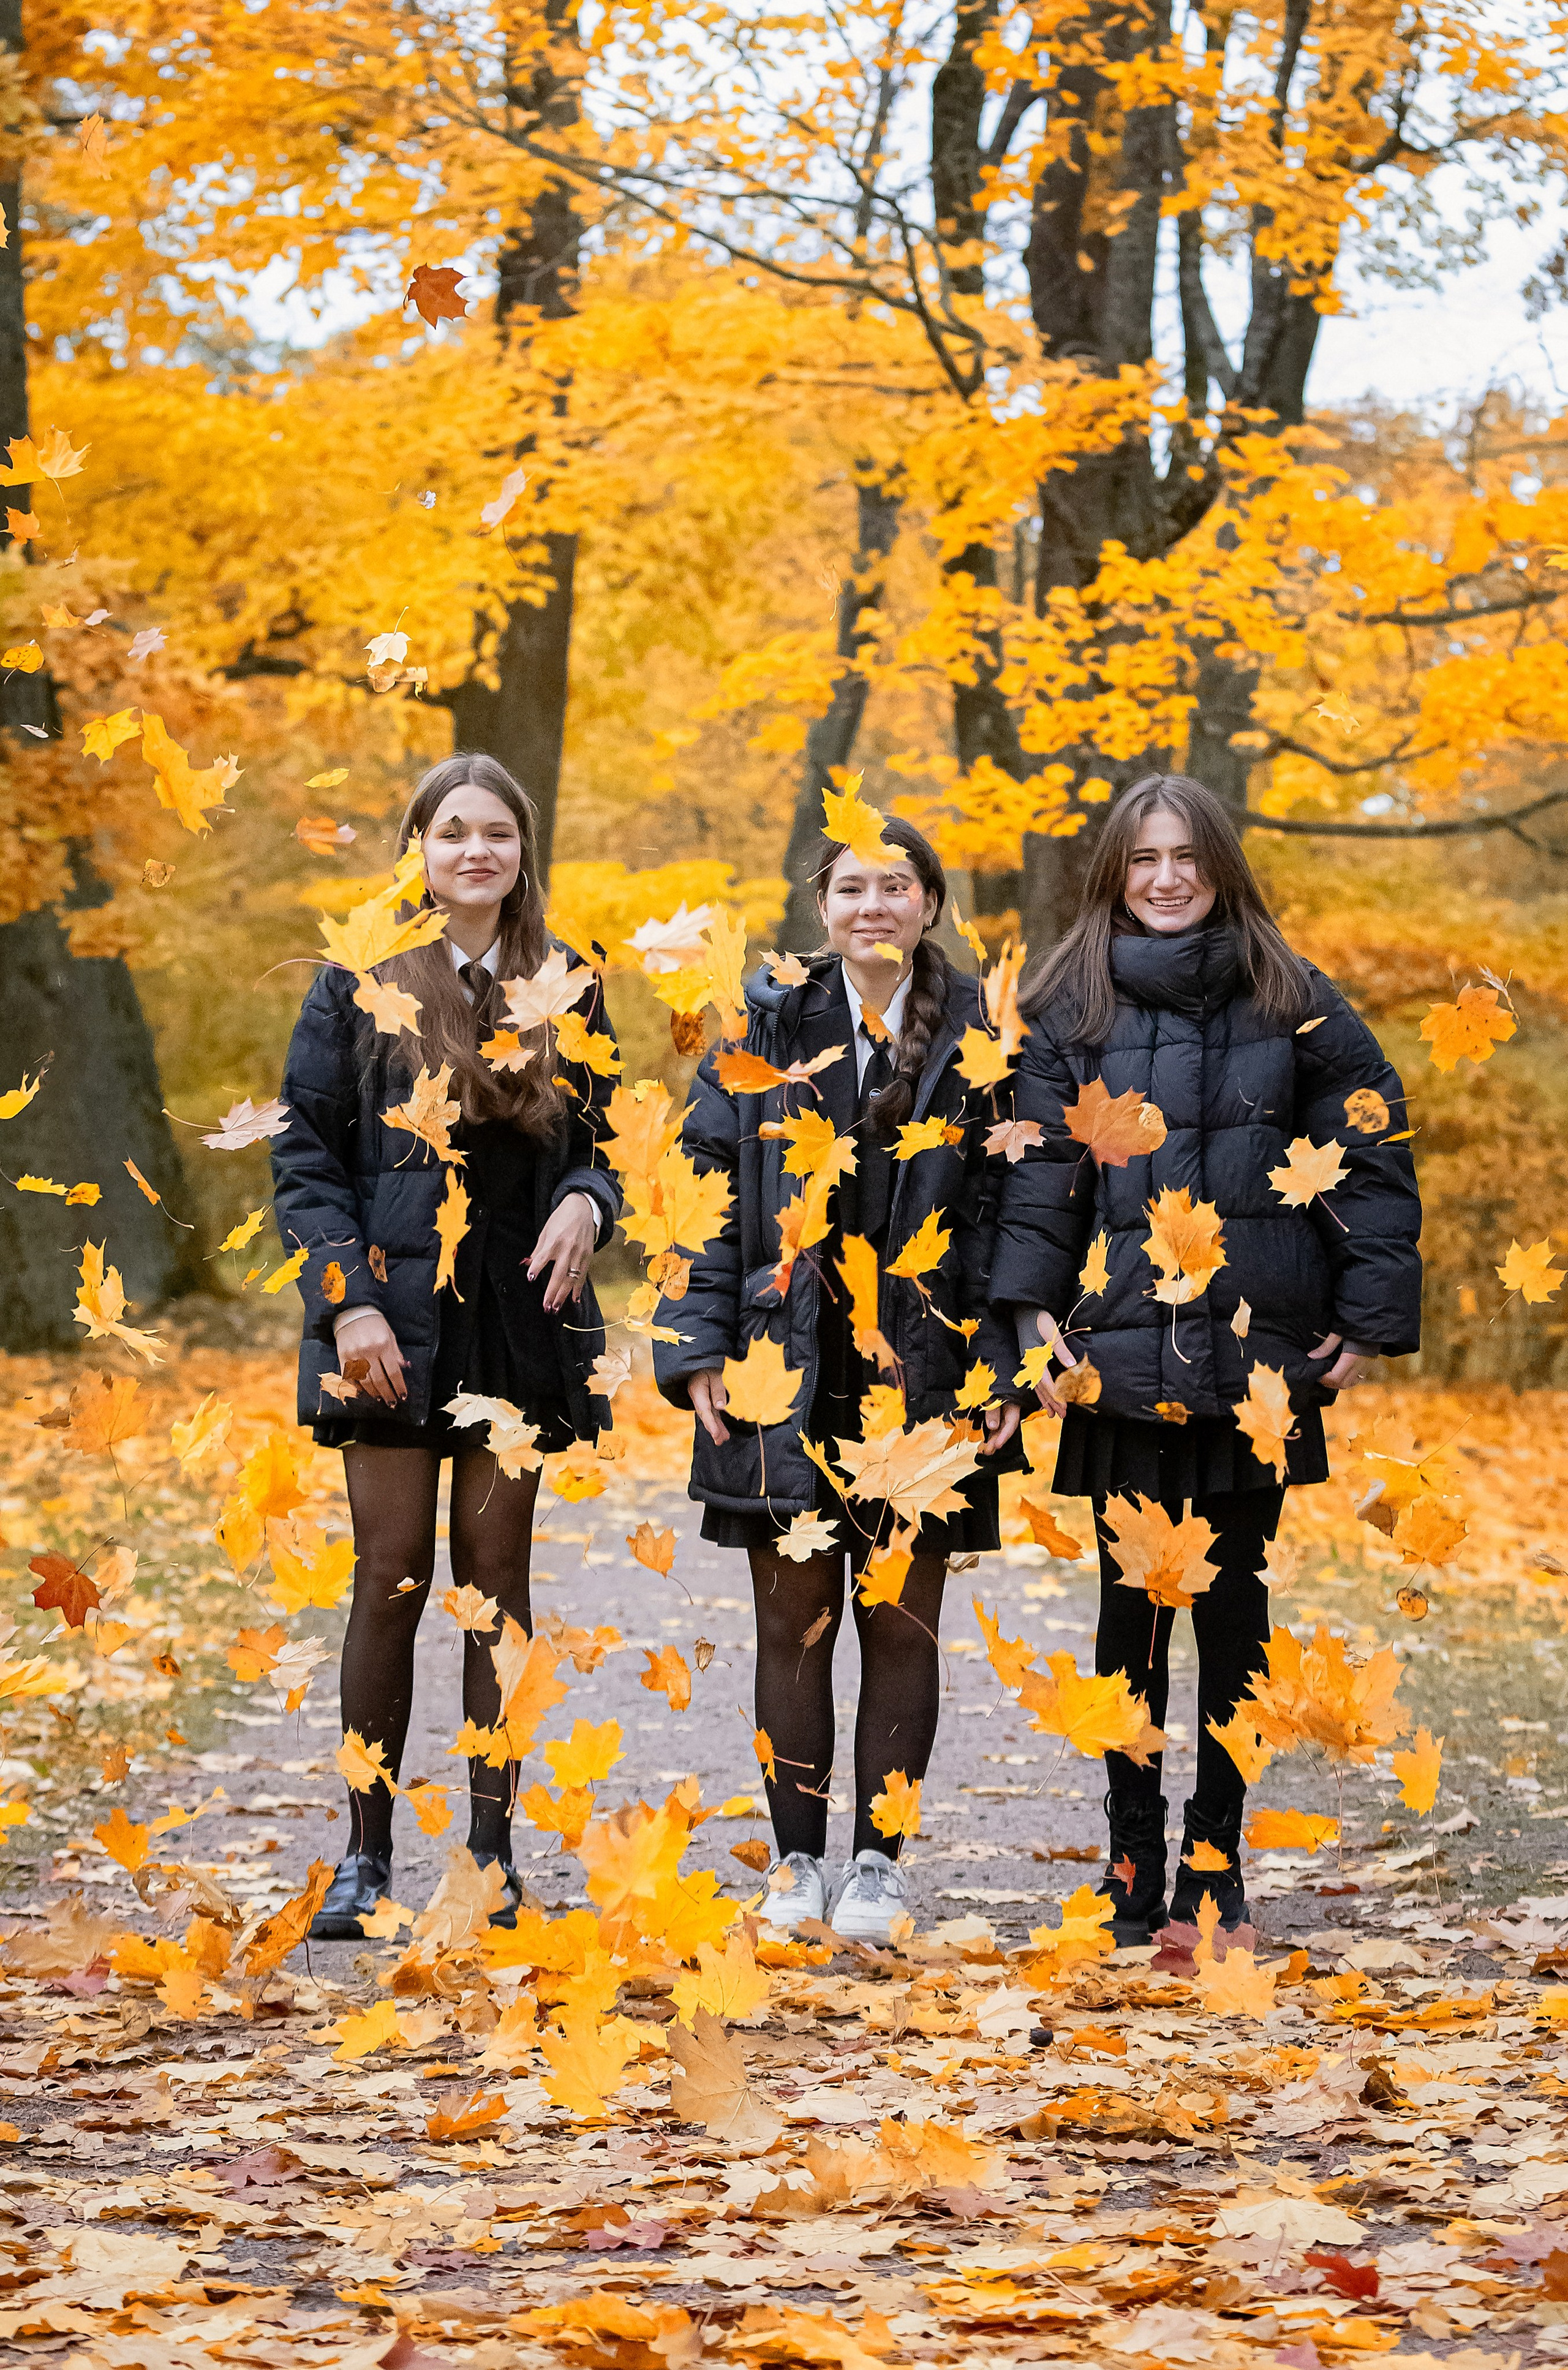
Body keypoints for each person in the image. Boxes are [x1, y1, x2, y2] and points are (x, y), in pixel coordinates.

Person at [990, 773, 1421, 1941]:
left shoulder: (1295, 997)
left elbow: (1370, 1146)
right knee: (1128, 1610)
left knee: (1234, 1609)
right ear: (1113, 875)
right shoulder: (1068, 1003)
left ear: (1221, 866)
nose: (1168, 877)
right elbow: (1037, 1179)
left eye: (1187, 856)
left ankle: (1216, 1861)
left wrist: (1370, 1318)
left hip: (1255, 1361)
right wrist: (1031, 1310)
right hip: (1117, 1352)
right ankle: (1132, 1855)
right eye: (1144, 859)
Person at [654, 818, 1024, 1945]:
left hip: (928, 1367)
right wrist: (695, 1345)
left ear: (930, 905)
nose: (875, 906)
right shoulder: (762, 1019)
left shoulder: (984, 1033)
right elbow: (700, 1178)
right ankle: (798, 1859)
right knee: (795, 1621)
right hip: (786, 1360)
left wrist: (1008, 1358)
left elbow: (1024, 1201)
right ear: (824, 905)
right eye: (853, 887)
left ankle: (879, 1863)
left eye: (897, 886)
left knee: (904, 1622)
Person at [271, 753, 621, 1939]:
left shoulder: (567, 982)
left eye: (498, 834)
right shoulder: (355, 981)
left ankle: (489, 1858)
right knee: (390, 1579)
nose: (477, 851)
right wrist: (348, 1302)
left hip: (518, 1324)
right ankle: (366, 1859)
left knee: (494, 1588)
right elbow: (304, 1158)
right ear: (416, 847)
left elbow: (605, 1140)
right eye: (452, 831)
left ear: (524, 852)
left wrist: (589, 1198)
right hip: (384, 1323)